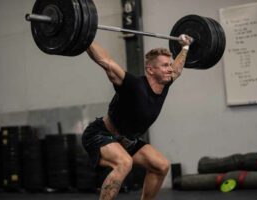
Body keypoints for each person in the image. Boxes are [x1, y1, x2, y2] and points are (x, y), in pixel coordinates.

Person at [82, 34, 192, 200]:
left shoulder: (166, 83)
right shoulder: (133, 85)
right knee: (124, 163)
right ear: (150, 70)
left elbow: (177, 69)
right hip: (101, 134)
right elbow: (106, 62)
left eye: (169, 64)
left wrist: (185, 47)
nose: (170, 68)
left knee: (161, 166)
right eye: (164, 65)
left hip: (128, 141)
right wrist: (84, 37)